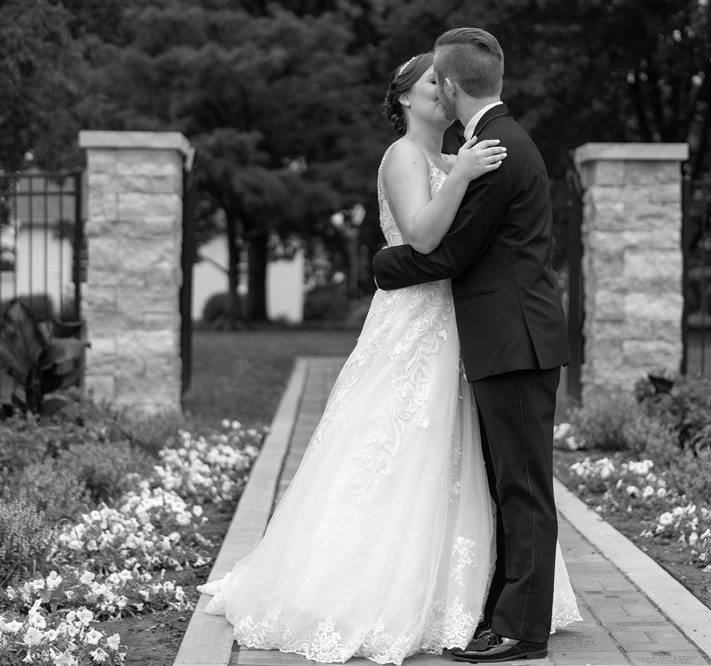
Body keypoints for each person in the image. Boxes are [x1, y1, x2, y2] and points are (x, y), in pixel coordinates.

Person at [197, 51, 579, 666]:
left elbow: (466, 248)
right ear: (404, 97)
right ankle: (380, 591)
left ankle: (478, 601)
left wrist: (392, 254)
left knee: (468, 464)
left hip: (463, 325)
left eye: (441, 82)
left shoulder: (472, 153)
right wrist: (450, 185)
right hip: (416, 324)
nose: (438, 93)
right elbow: (427, 237)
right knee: (396, 448)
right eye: (428, 84)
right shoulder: (408, 157)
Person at [371, 28, 573, 663]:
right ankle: (503, 615)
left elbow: (453, 251)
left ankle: (521, 632)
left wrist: (382, 266)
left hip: (513, 341)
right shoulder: (496, 143)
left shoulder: (495, 149)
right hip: (507, 339)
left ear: (452, 86)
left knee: (523, 489)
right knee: (509, 484)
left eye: (439, 79)